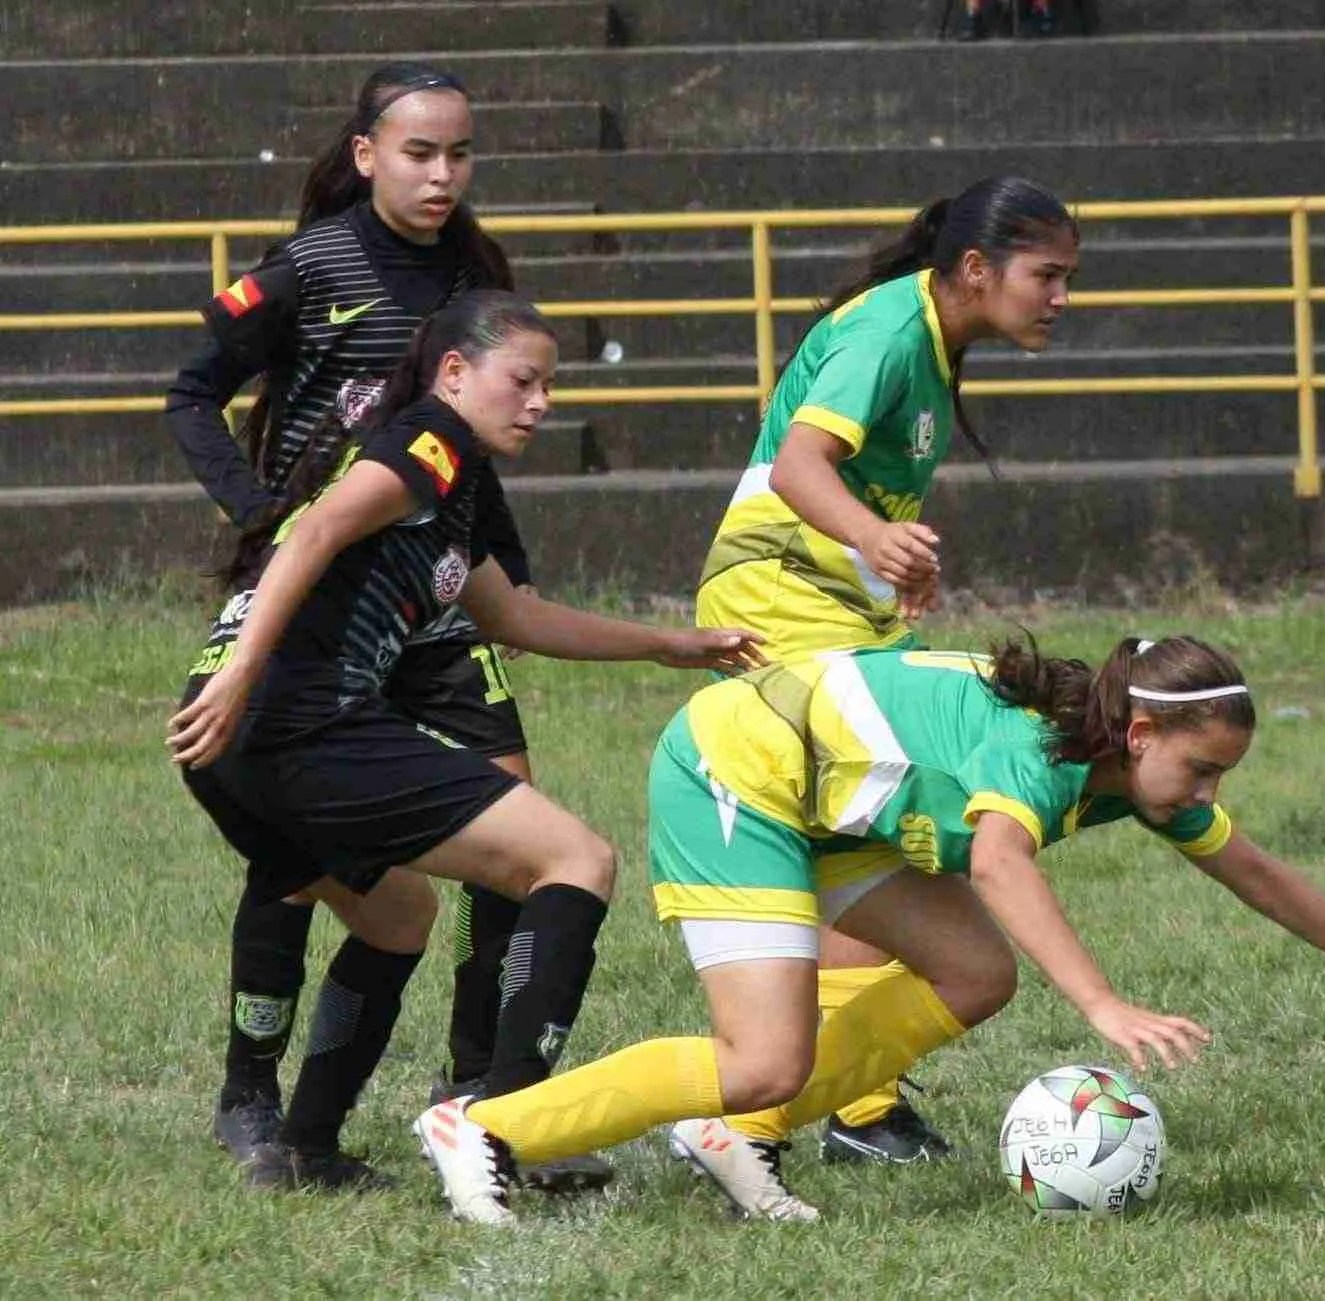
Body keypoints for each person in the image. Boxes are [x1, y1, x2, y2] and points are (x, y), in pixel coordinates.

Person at [414, 635, 1325, 1223]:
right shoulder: (1043, 752)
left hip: (828, 801)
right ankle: (490, 1125)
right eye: (1203, 766)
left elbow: (1254, 869)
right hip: (734, 769)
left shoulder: (1132, 769)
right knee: (759, 1055)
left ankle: (735, 1130)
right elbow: (996, 857)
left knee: (974, 971)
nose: (1206, 789)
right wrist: (1101, 1000)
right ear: (1137, 730)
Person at [169, 290, 764, 1199]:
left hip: (238, 742)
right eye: (523, 380)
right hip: (295, 720)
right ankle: (510, 1123)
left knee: (400, 914)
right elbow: (319, 529)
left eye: (550, 386)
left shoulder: (456, 481)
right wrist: (246, 672)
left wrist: (673, 644)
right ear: (455, 372)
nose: (541, 402)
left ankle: (305, 1147)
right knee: (576, 859)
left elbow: (513, 615)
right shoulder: (428, 443)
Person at [163, 63, 597, 1187]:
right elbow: (189, 391)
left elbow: (480, 439)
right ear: (366, 154)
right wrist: (262, 515)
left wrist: (506, 580)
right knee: (308, 845)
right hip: (329, 582)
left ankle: (482, 1098)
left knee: (520, 846)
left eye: (459, 154)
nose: (442, 173)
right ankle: (252, 1088)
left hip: (436, 598)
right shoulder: (310, 266)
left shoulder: (477, 274)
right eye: (419, 152)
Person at [694, 176, 1079, 1162]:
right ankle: (792, 1102)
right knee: (877, 823)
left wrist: (887, 563)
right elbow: (797, 469)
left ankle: (850, 1100)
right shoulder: (887, 335)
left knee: (876, 837)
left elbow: (854, 491)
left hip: (820, 604)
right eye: (1049, 275)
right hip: (770, 605)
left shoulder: (932, 337)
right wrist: (874, 533)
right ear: (978, 269)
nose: (1060, 296)